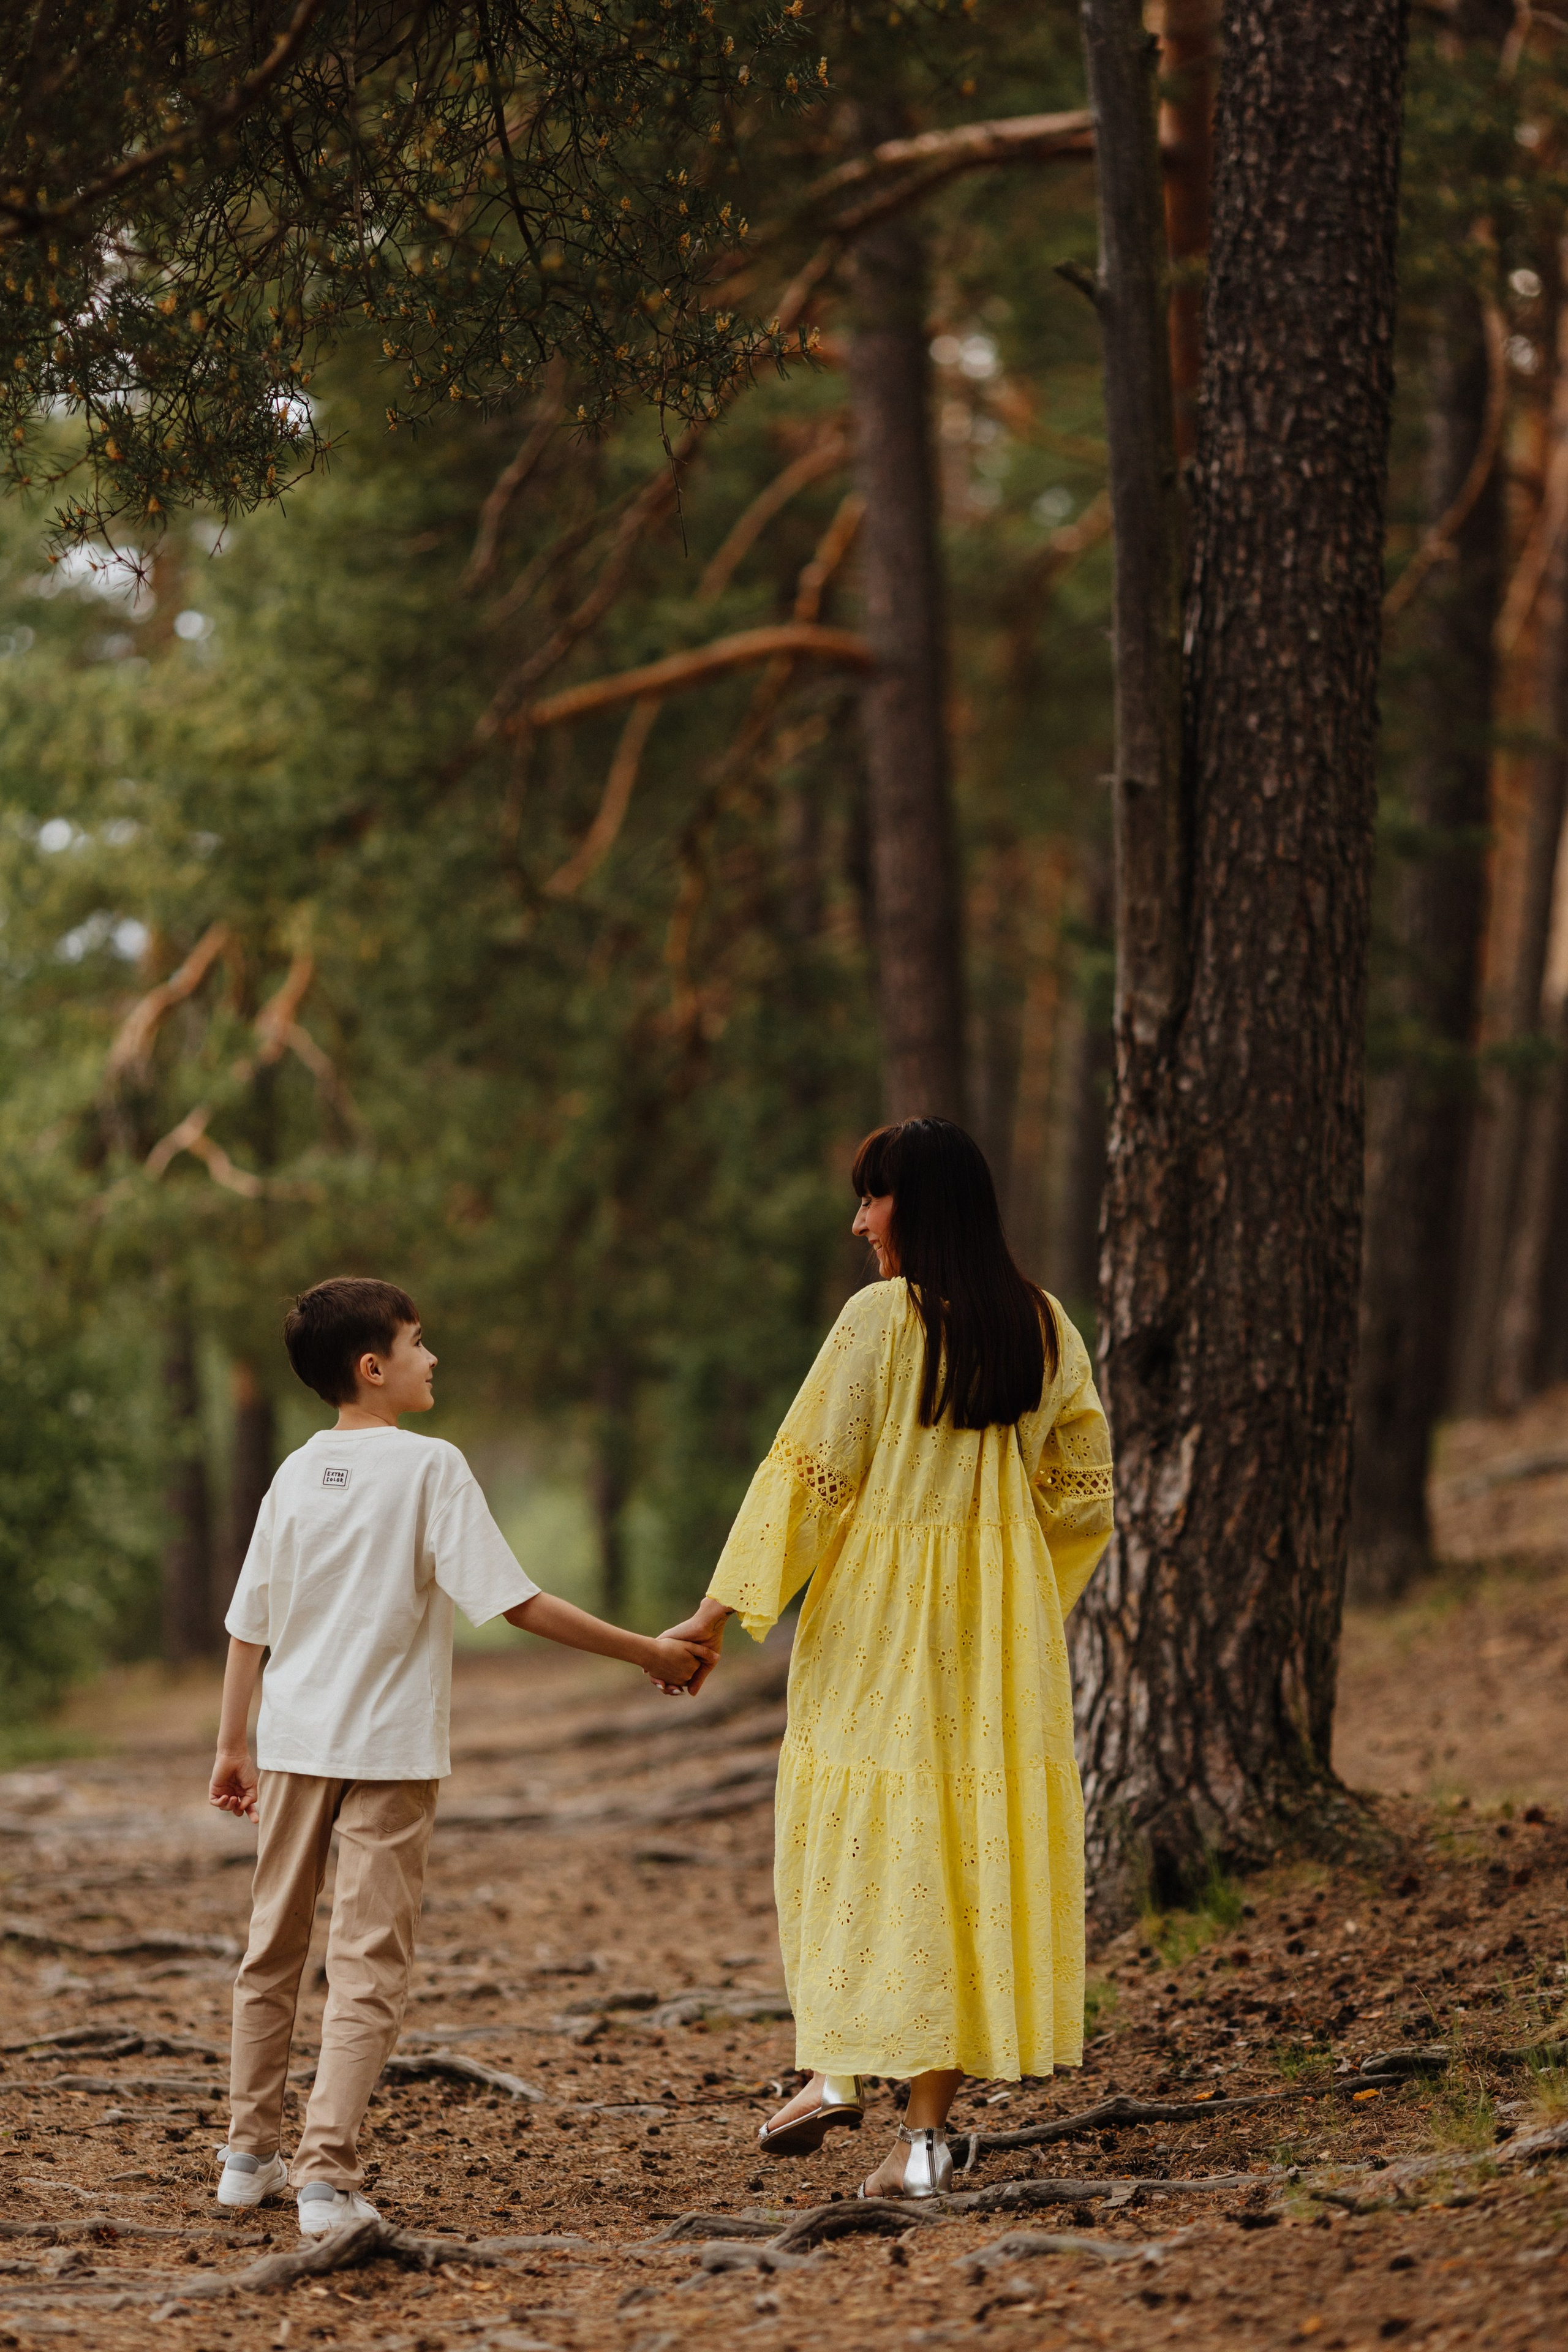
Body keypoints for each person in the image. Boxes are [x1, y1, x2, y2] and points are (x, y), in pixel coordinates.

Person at [662, 1119, 1114, 2198]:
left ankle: (834, 2070)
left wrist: (717, 1615)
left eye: (875, 1198)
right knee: (965, 1861)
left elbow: (804, 1479)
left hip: (877, 1625)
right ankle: (920, 2144)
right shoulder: (1045, 1327)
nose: (861, 1221)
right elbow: (1082, 1499)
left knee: (857, 1839)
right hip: (997, 1643)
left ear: (922, 1204)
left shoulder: (880, 1322)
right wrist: (1016, 1599)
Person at [208, 1276, 712, 2235]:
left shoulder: (294, 1475)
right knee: (366, 1962)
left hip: (294, 1747)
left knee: (270, 1948)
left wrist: (234, 1744)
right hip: (390, 1755)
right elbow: (515, 1602)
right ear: (373, 1367)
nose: (431, 1358)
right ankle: (323, 2178)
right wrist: (648, 1650)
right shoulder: (432, 1468)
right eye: (417, 1342)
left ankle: (246, 2156)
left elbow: (248, 1627)